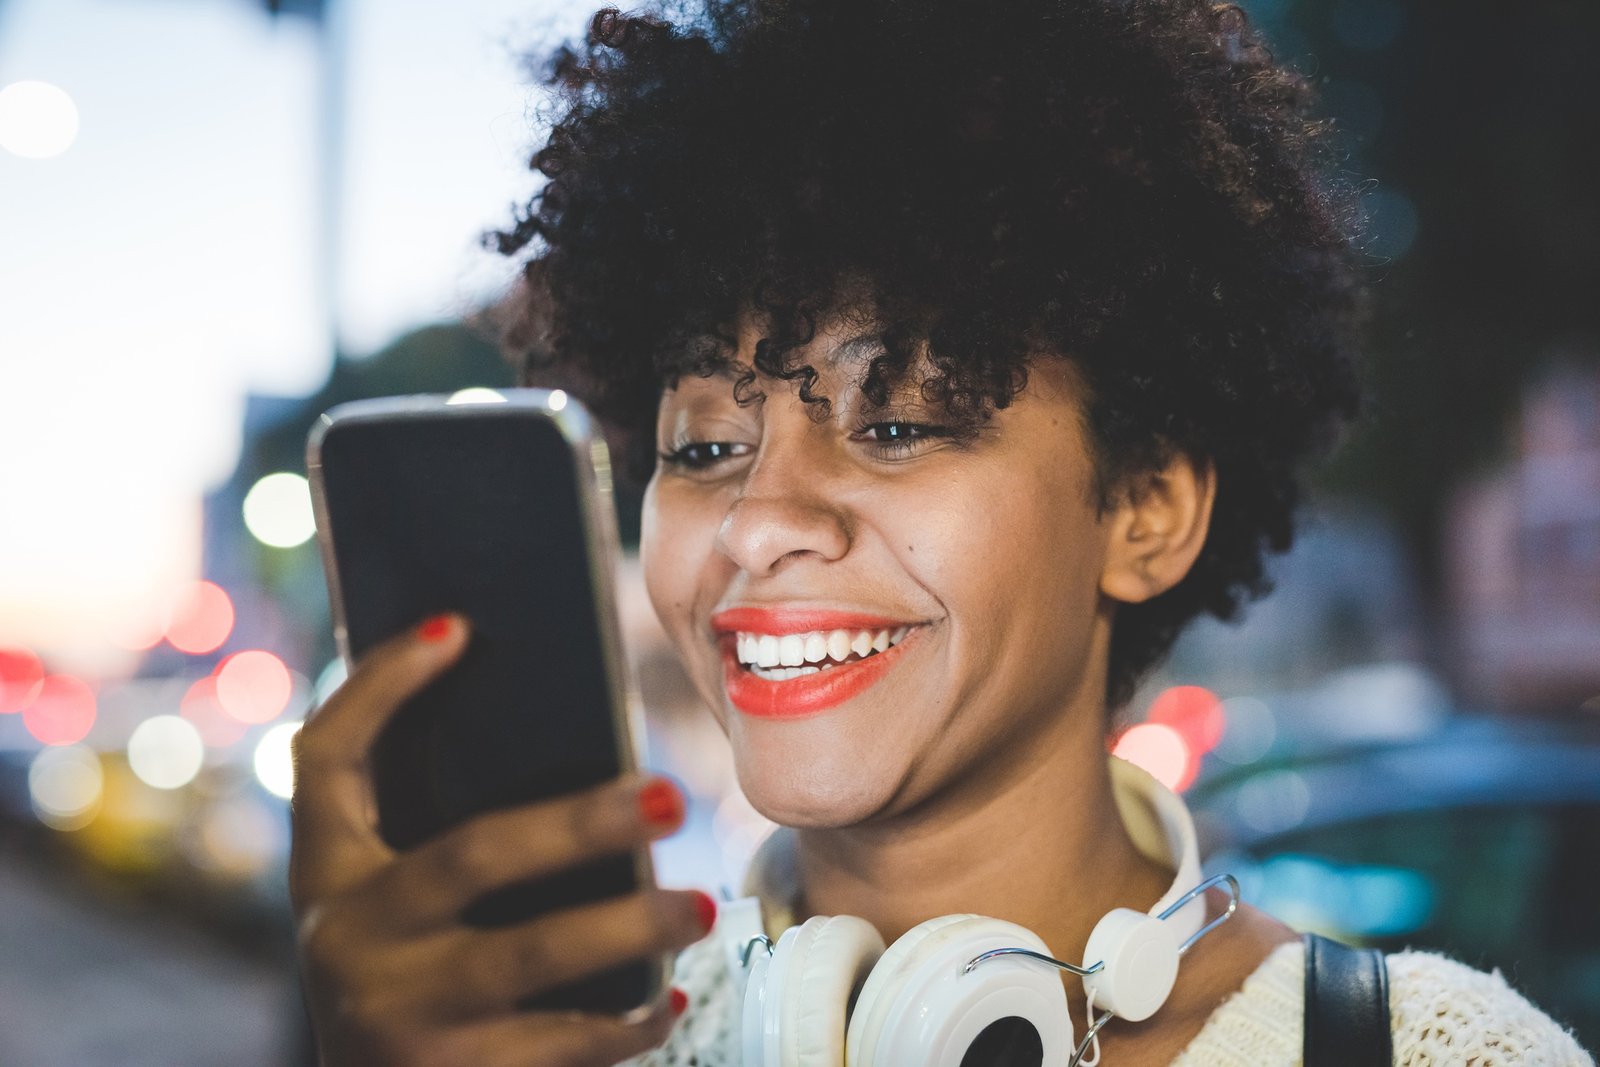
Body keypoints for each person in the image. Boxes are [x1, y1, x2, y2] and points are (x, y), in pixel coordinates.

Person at [288, 1, 1594, 1063]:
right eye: (703, 447)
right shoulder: (558, 1044)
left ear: (1144, 510)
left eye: (898, 423)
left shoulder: (1438, 1057)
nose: (758, 524)